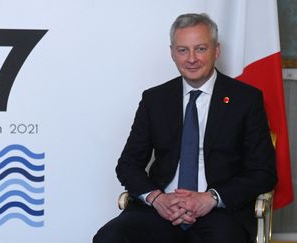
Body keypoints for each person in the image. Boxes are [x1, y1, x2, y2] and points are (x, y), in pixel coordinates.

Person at [93, 13, 277, 243]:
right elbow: (128, 164)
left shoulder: (245, 99)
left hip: (219, 212)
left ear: (216, 50)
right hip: (161, 209)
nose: (192, 58)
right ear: (172, 53)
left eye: (200, 49)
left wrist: (211, 198)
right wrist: (158, 199)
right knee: (110, 238)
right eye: (183, 50)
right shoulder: (155, 99)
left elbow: (263, 172)